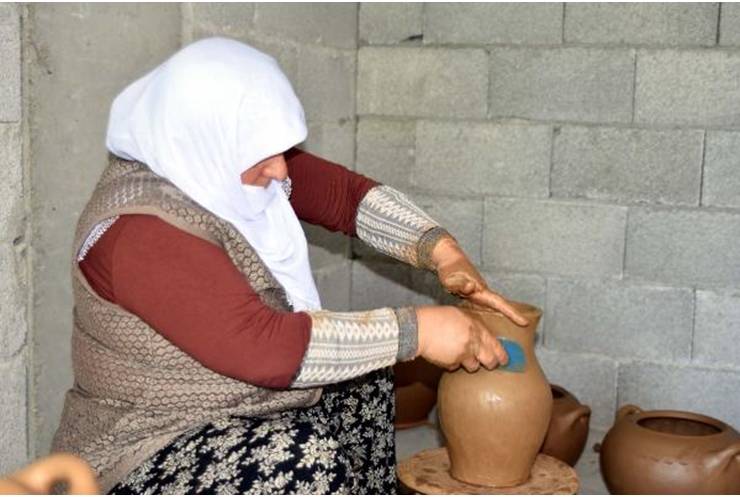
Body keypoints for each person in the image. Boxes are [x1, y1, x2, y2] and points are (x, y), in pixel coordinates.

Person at [51, 37, 527, 494]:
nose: (280, 169)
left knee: (362, 377)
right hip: (144, 447)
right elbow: (262, 346)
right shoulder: (135, 232)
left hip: (239, 403)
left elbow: (344, 198)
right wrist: (416, 331)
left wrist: (441, 251)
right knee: (302, 460)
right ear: (206, 135)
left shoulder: (215, 164)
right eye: (265, 154)